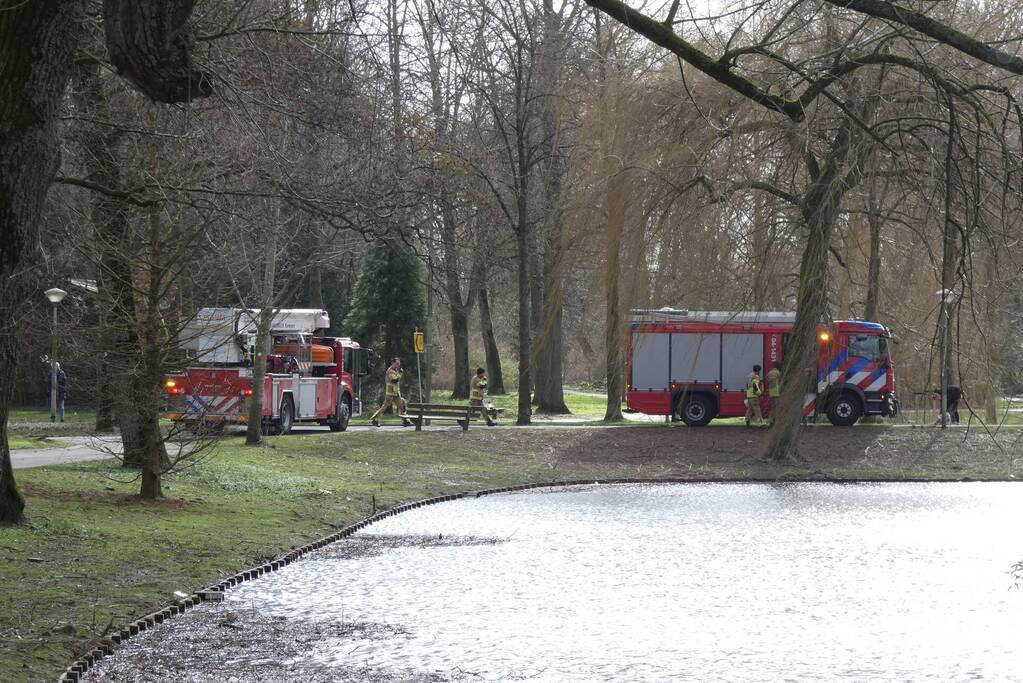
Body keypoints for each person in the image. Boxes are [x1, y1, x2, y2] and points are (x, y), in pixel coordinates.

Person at [371, 357, 411, 427]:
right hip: (390, 392)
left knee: (401, 405)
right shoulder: (390, 371)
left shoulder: (395, 370)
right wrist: (400, 373)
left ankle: (405, 420)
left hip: (396, 391)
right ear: (392, 363)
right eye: (396, 363)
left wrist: (399, 373)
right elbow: (394, 380)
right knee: (385, 406)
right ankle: (375, 419)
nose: (398, 365)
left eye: (399, 364)